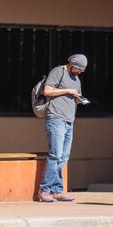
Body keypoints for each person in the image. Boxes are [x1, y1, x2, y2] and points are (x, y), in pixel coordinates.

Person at [37, 54, 89, 202]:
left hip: (69, 121)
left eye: (82, 70)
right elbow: (47, 91)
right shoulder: (58, 71)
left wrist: (78, 99)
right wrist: (67, 90)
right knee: (55, 154)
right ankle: (44, 190)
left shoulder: (77, 79)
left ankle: (57, 190)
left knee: (64, 156)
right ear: (71, 64)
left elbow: (72, 97)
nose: (79, 72)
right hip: (56, 119)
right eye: (78, 68)